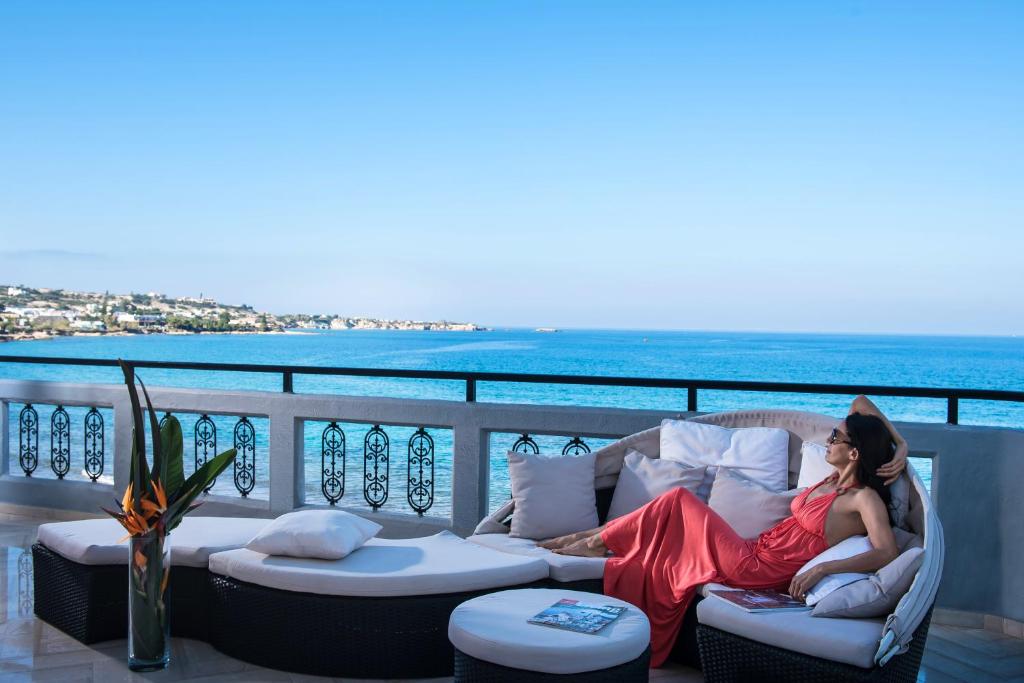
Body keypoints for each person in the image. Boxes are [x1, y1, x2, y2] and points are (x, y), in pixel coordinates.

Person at [539, 395, 909, 668]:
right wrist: (902, 443)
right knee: (670, 522)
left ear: (855, 453)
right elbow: (861, 402)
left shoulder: (863, 500)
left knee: (680, 499)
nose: (828, 440)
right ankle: (595, 539)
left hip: (757, 569)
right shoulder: (831, 481)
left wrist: (822, 569)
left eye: (835, 437)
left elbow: (886, 552)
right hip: (752, 549)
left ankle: (594, 540)